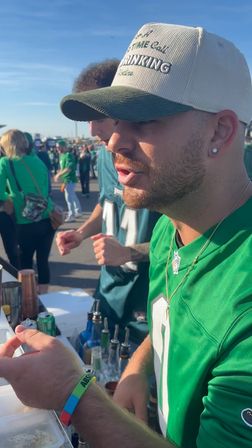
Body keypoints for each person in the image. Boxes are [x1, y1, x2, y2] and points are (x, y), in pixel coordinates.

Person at [1, 22, 252, 448]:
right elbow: (176, 310)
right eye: (116, 121)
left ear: (221, 131)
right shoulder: (170, 229)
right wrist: (138, 363)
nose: (115, 140)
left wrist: (74, 392)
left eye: (145, 119)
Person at [56, 59, 160, 346]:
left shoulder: (162, 163)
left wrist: (127, 253)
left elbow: (190, 244)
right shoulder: (104, 155)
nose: (91, 131)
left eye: (98, 118)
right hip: (107, 294)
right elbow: (107, 202)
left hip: (147, 305)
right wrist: (80, 232)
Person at [0, 129, 55, 293]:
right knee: (43, 261)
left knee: (25, 263)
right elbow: (45, 189)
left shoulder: (5, 162)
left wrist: (10, 196)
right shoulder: (37, 160)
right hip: (47, 217)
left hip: (25, 221)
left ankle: (29, 301)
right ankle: (45, 298)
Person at [54, 139, 82, 222]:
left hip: (69, 179)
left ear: (64, 147)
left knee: (69, 198)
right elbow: (63, 167)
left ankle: (71, 215)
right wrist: (58, 173)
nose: (57, 149)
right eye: (57, 147)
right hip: (66, 179)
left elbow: (69, 168)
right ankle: (78, 211)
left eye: (59, 147)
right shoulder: (61, 156)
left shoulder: (68, 155)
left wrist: (58, 175)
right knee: (72, 196)